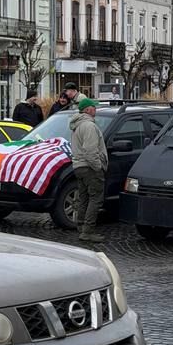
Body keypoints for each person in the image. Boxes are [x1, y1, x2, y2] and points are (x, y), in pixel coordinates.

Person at [69, 98, 108, 243]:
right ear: (87, 110)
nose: (95, 109)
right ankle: (88, 231)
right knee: (95, 198)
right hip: (89, 167)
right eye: (93, 107)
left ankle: (81, 225)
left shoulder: (77, 125)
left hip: (79, 166)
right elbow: (90, 151)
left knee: (84, 198)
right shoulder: (89, 126)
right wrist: (98, 167)